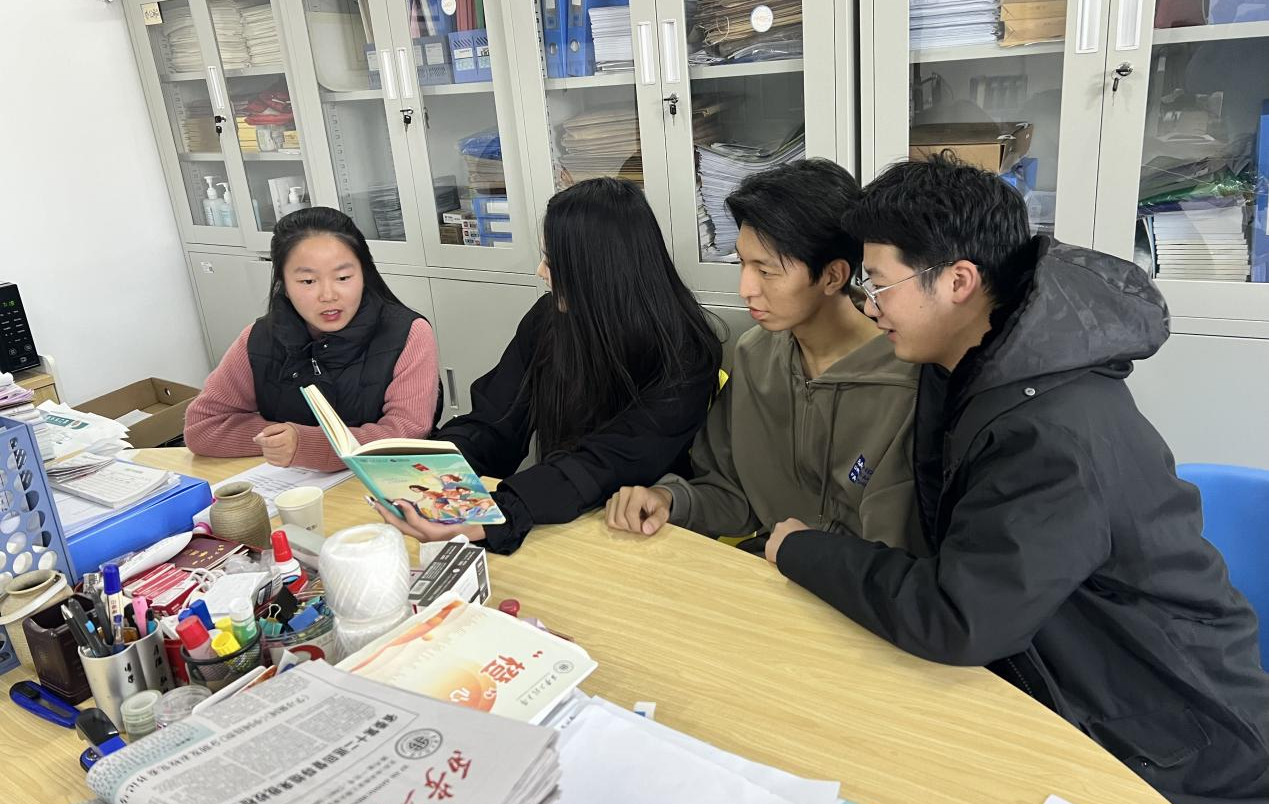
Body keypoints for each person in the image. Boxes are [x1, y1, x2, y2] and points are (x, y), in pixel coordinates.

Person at [764, 154, 1269, 804]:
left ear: (958, 282)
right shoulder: (978, 365)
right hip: (1060, 670)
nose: (868, 306)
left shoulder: (1052, 432)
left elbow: (960, 617)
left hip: (1171, 745)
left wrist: (802, 550)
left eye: (878, 284)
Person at [372, 177, 721, 555]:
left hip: (643, 532)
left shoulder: (684, 352)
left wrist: (502, 513)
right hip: (559, 518)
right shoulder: (549, 320)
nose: (541, 271)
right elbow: (495, 421)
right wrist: (434, 468)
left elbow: (607, 462)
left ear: (598, 269)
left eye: (552, 261)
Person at [605, 159, 923, 555]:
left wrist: (809, 555)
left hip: (857, 583)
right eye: (742, 262)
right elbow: (728, 491)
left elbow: (900, 549)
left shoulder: (908, 380)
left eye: (767, 271)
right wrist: (670, 500)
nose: (746, 289)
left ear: (833, 276)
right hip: (767, 569)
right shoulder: (755, 355)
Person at [185, 207, 439, 472]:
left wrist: (307, 445)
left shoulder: (408, 333)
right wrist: (280, 441)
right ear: (283, 283)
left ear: (365, 274)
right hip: (289, 485)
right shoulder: (259, 338)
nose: (328, 295)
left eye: (343, 277)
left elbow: (406, 433)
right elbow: (203, 426)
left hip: (385, 481)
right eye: (307, 281)